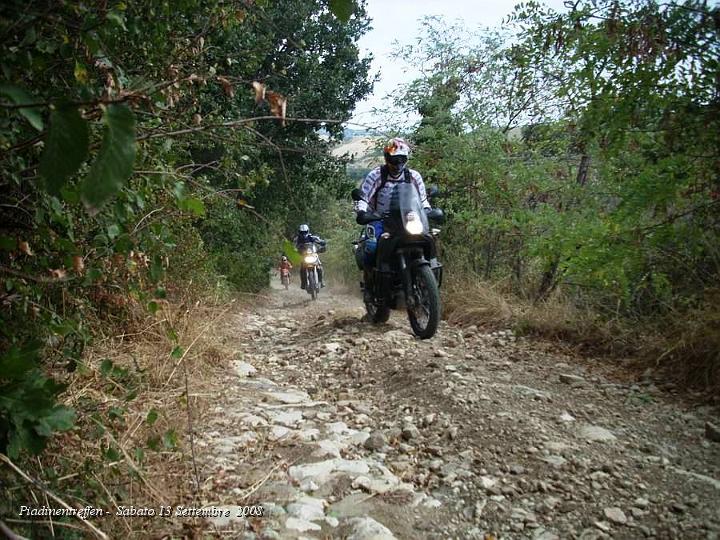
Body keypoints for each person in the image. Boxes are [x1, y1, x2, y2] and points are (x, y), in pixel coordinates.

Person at [354, 138, 431, 299]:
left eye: (402, 159)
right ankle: (369, 282)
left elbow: (423, 199)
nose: (398, 164)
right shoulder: (376, 175)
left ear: (406, 159)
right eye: (394, 160)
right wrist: (362, 213)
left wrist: (429, 210)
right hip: (380, 219)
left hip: (408, 219)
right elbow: (363, 198)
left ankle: (426, 278)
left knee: (429, 237)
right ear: (387, 159)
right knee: (372, 245)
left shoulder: (414, 176)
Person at [293, 224, 326, 289]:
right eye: (302, 232)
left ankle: (321, 281)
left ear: (308, 231)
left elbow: (320, 241)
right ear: (299, 232)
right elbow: (294, 246)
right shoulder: (297, 239)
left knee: (319, 267)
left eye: (305, 232)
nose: (303, 233)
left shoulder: (312, 237)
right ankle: (303, 283)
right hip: (304, 256)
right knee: (302, 269)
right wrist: (295, 250)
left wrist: (322, 242)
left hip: (313, 254)